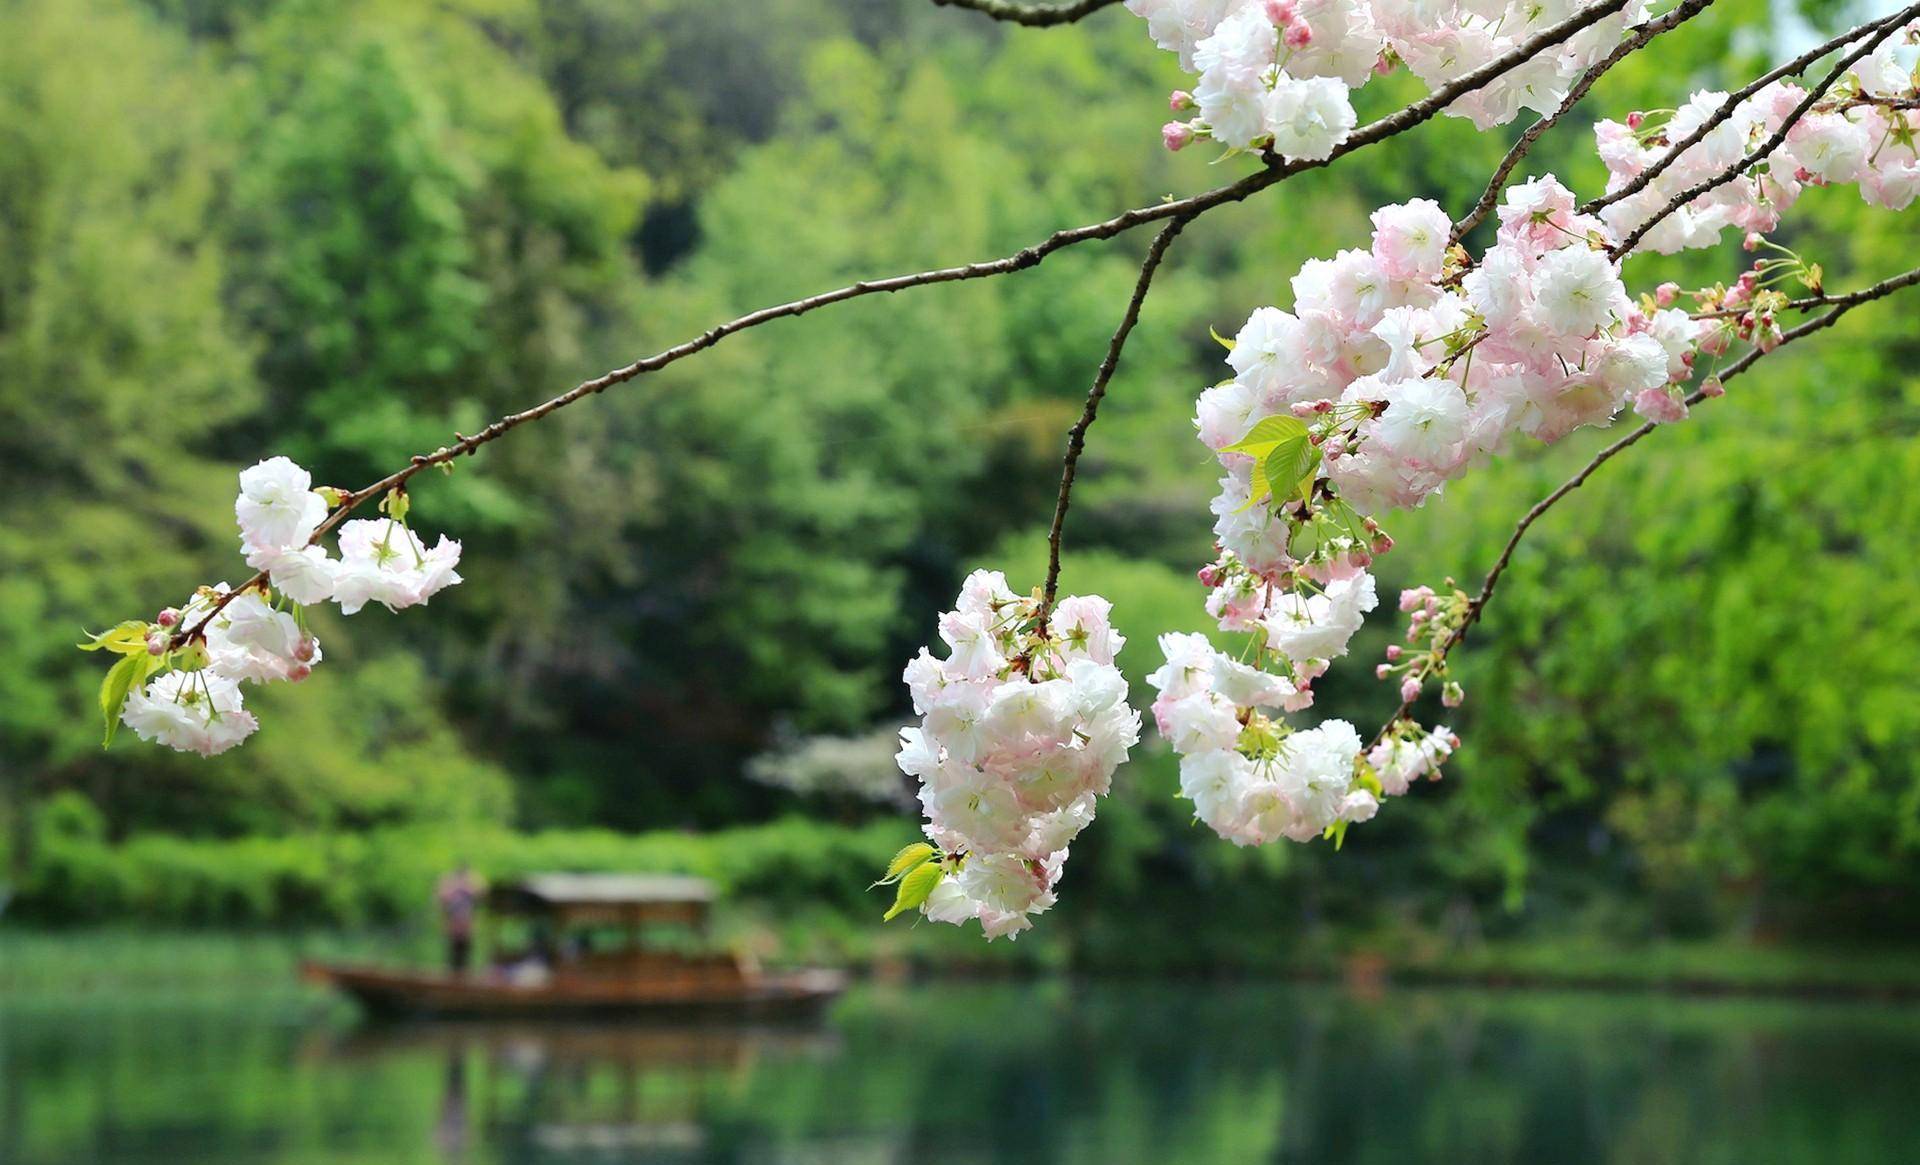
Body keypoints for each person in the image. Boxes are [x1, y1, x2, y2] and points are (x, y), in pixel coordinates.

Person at [435, 863, 484, 974]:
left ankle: (464, 974)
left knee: (466, 952)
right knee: (452, 952)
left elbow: (481, 895)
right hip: (454, 924)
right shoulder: (449, 882)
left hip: (467, 924)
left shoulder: (473, 882)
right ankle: (452, 974)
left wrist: (468, 885)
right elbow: (442, 899)